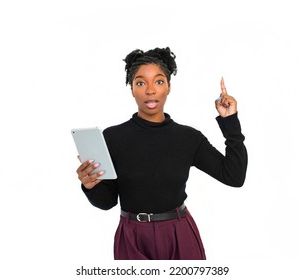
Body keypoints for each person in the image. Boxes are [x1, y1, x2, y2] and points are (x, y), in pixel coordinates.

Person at [76, 47, 248, 260]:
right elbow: (107, 202)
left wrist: (230, 122)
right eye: (140, 83)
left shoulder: (188, 138)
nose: (150, 90)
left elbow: (234, 176)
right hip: (132, 237)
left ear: (168, 87)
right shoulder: (112, 137)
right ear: (131, 89)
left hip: (179, 234)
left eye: (158, 81)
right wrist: (90, 186)